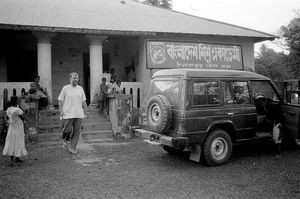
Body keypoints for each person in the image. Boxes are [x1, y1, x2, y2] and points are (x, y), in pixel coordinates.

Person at [58, 72, 88, 154]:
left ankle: (72, 148)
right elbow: (60, 100)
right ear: (70, 79)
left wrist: (86, 109)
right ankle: (66, 140)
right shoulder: (65, 88)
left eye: (77, 78)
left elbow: (83, 100)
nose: (76, 79)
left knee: (77, 132)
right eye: (74, 78)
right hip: (68, 113)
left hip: (78, 113)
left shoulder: (80, 88)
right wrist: (61, 110)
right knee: (67, 130)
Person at [2, 96, 27, 166]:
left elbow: (6, 116)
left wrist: (7, 121)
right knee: (17, 140)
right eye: (17, 100)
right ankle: (16, 158)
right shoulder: (17, 109)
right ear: (16, 101)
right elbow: (23, 116)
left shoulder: (9, 109)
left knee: (11, 140)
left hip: (12, 126)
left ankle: (15, 158)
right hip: (18, 126)